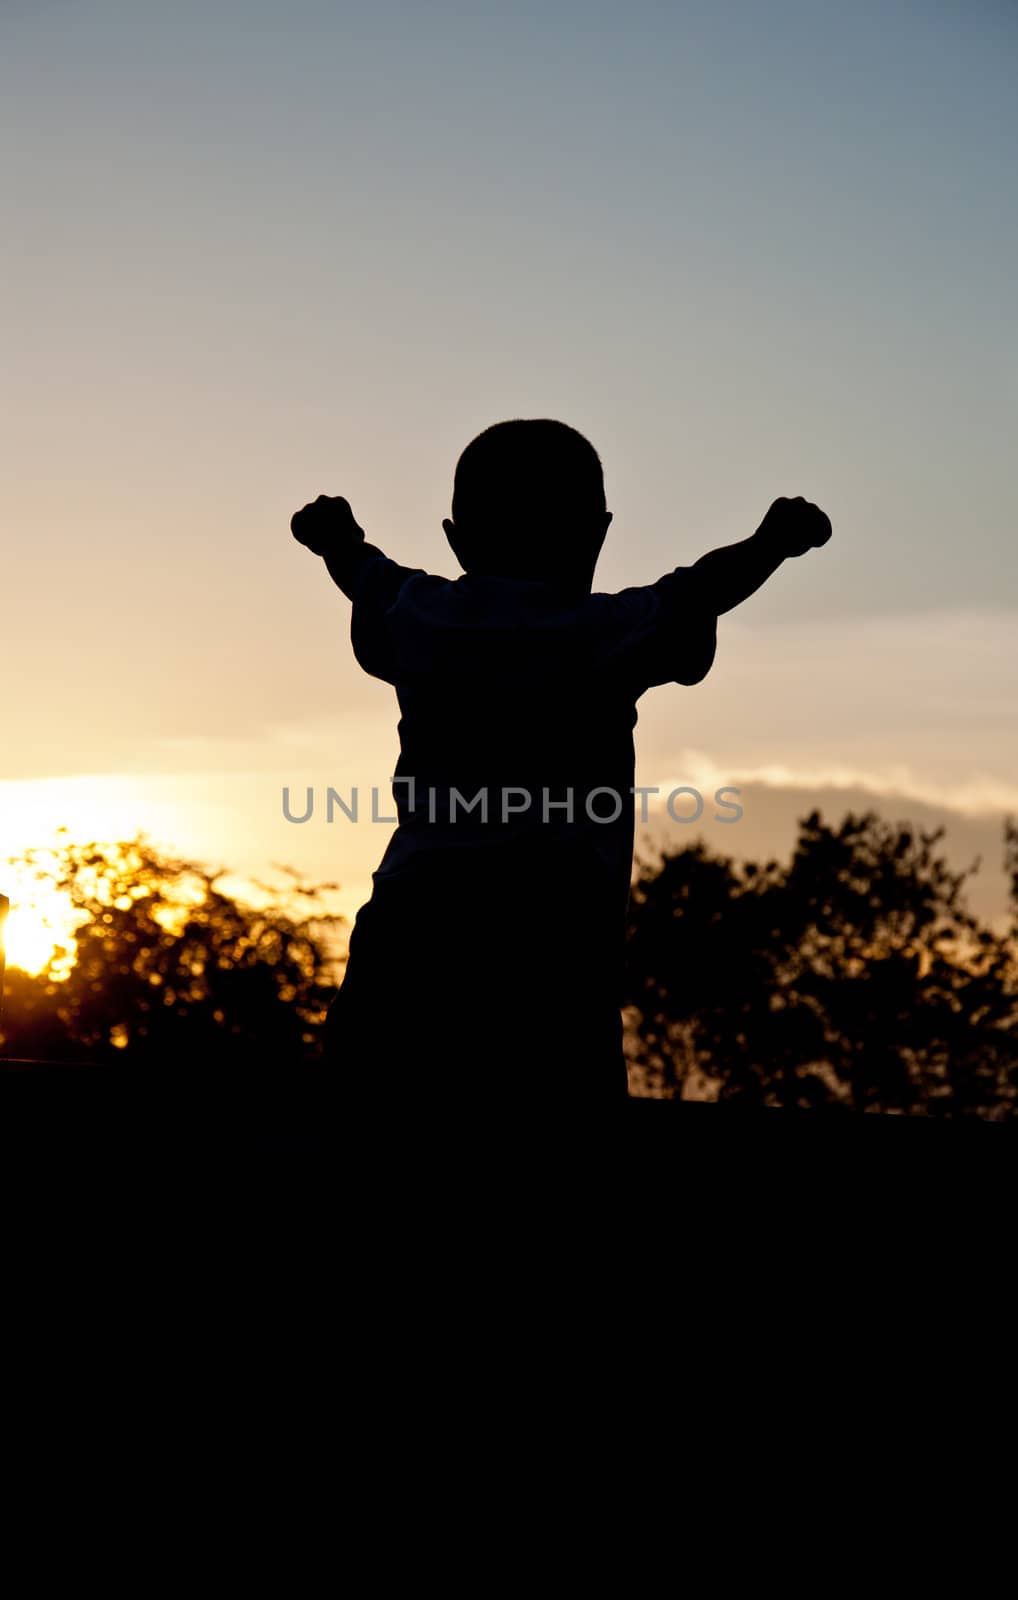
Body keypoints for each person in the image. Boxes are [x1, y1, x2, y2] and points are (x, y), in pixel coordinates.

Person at [291, 418, 831, 1110]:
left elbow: (360, 573)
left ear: (457, 540)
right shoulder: (606, 634)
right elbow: (704, 588)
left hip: (413, 931)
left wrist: (337, 537)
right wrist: (770, 545)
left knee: (375, 1111)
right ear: (598, 535)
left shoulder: (420, 614)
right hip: (556, 945)